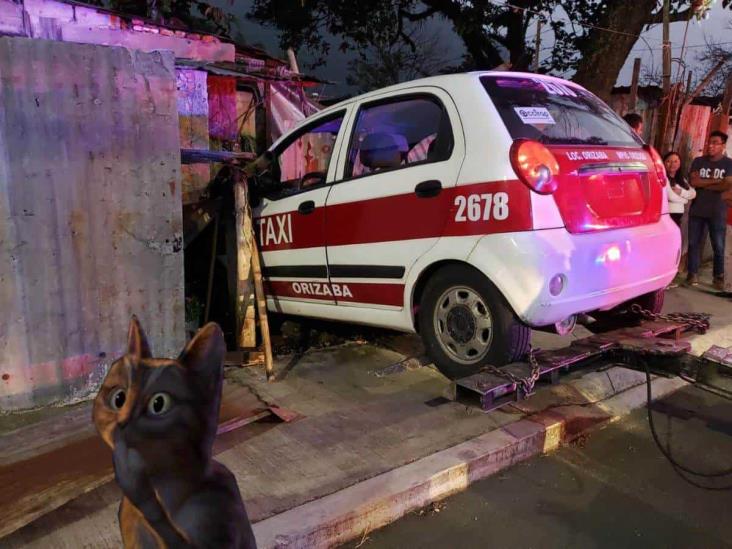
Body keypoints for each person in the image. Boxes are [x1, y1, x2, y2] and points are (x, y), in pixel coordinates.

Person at [686, 131, 732, 289]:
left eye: (715, 143)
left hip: (718, 211)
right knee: (693, 243)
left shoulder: (729, 163)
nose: (710, 146)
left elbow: (727, 185)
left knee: (718, 245)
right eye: (709, 142)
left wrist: (704, 182)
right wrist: (717, 180)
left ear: (723, 145)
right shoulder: (699, 161)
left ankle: (718, 276)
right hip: (697, 209)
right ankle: (692, 273)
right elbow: (694, 182)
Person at [663, 151, 696, 227]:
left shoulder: (681, 179)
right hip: (667, 216)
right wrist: (685, 200)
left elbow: (693, 193)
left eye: (675, 161)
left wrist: (681, 192)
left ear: (679, 163)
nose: (672, 164)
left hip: (677, 218)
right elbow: (670, 196)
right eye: (668, 161)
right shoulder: (663, 177)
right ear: (664, 163)